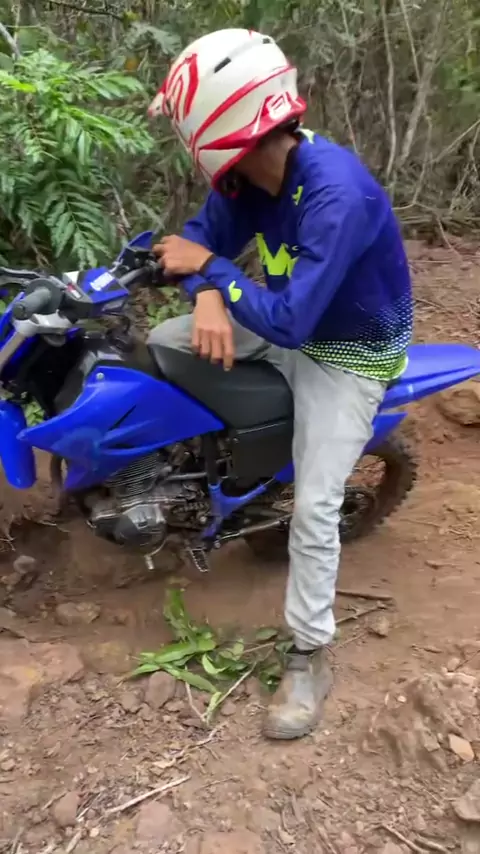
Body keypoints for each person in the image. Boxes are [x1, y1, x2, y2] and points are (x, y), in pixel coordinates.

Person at [147, 28, 413, 740]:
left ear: (219, 128)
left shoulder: (336, 195)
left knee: (316, 508)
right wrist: (206, 288)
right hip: (286, 319)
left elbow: (291, 321)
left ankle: (308, 655)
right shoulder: (247, 180)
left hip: (347, 352)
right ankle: (223, 465)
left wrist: (213, 272)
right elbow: (197, 240)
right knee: (166, 341)